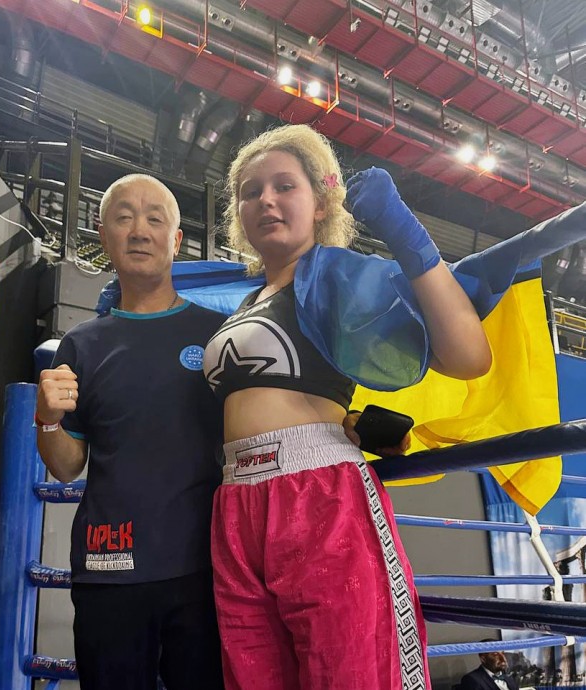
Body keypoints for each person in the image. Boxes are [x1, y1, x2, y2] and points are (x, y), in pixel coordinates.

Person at [202, 124, 492, 690]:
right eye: (251, 191)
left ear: (320, 202)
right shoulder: (245, 302)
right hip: (237, 504)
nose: (266, 199)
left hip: (319, 494)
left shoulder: (339, 279)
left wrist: (404, 231)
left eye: (284, 185)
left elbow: (468, 356)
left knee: (353, 674)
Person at [34, 174, 227, 690]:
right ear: (103, 235)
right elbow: (66, 466)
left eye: (154, 218)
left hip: (204, 570)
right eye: (123, 217)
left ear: (176, 240)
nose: (139, 230)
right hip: (108, 567)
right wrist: (47, 418)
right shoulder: (81, 344)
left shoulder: (217, 336)